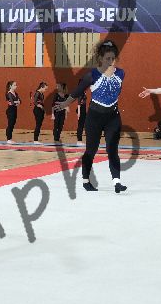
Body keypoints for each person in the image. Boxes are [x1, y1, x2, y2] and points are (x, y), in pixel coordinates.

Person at [54, 40, 127, 193]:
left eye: (113, 58)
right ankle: (86, 180)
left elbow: (114, 92)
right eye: (107, 58)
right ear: (101, 59)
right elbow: (77, 92)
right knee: (91, 150)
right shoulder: (92, 75)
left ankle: (117, 181)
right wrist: (64, 104)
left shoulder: (121, 74)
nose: (111, 61)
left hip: (113, 117)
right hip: (94, 118)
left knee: (112, 149)